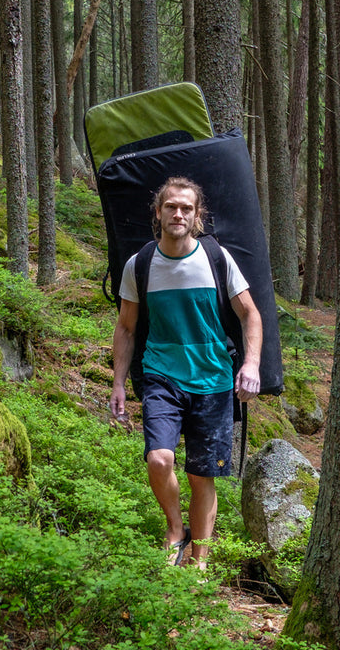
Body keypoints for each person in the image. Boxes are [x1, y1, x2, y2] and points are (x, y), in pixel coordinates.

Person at [110, 176, 262, 567]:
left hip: (214, 380)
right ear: (158, 212)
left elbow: (251, 314)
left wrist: (251, 363)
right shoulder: (139, 264)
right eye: (171, 206)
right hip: (162, 375)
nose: (178, 213)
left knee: (200, 476)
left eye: (186, 208)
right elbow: (126, 327)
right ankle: (175, 530)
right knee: (159, 460)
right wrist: (119, 384)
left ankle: (200, 561)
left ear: (197, 216)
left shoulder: (216, 259)